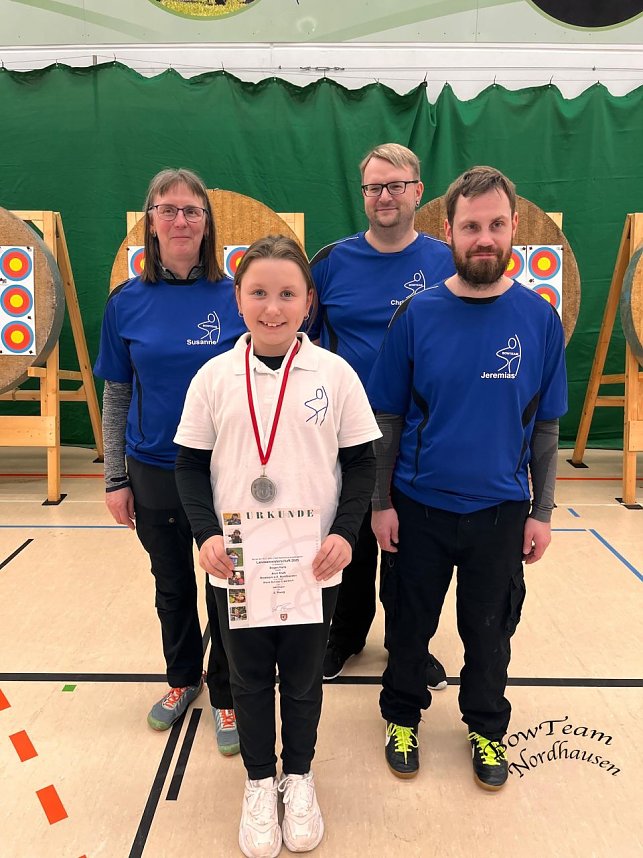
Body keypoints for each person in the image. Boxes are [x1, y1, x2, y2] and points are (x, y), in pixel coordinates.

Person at [174, 235, 380, 857]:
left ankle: (300, 776)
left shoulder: (335, 374)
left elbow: (363, 464)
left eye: (287, 293)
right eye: (258, 292)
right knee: (248, 676)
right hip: (237, 564)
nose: (273, 307)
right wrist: (207, 534)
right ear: (237, 299)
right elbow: (188, 468)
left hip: (313, 566)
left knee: (303, 679)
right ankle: (260, 782)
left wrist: (346, 534)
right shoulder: (213, 377)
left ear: (308, 302)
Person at [367, 166, 568, 787]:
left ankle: (486, 729)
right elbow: (390, 418)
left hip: (502, 514)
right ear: (449, 231)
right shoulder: (416, 315)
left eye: (496, 225)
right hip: (418, 508)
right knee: (409, 626)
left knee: (490, 635)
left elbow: (546, 428)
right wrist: (380, 504)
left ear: (514, 230)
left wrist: (542, 511)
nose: (485, 238)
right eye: (471, 226)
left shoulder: (538, 320)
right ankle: (402, 716)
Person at [94, 167, 245, 755]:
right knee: (173, 585)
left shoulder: (236, 294)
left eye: (192, 210)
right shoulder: (125, 303)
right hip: (153, 470)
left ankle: (226, 692)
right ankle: (183, 678)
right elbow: (117, 393)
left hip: (225, 473)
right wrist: (114, 477)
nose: (181, 220)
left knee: (226, 587)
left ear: (207, 224)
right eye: (168, 210)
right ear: (150, 223)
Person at [309, 142, 456, 685]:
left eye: (395, 185)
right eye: (373, 187)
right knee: (350, 538)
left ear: (418, 191)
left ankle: (407, 646)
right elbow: (304, 346)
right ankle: (343, 637)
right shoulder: (330, 263)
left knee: (407, 548)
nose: (384, 196)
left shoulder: (445, 262)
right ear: (363, 194)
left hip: (419, 435)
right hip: (342, 435)